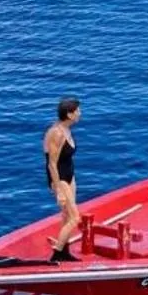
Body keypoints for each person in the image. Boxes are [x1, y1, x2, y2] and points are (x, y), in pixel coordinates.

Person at [43, 97, 82, 262]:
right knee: (75, 218)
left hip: (69, 176)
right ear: (69, 114)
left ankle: (65, 252)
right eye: (77, 111)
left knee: (66, 215)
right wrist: (58, 189)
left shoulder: (67, 130)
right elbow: (52, 164)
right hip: (60, 179)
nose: (80, 113)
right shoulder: (57, 133)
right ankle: (57, 253)